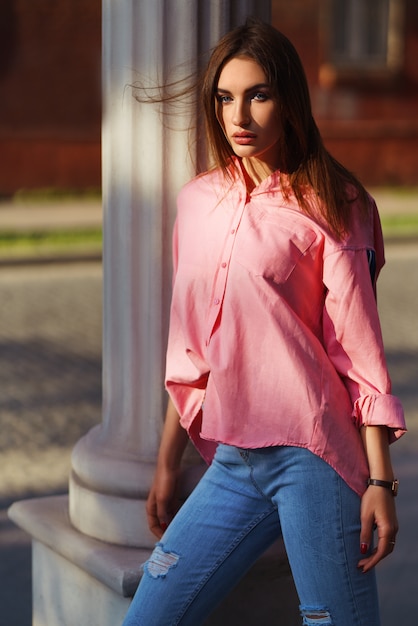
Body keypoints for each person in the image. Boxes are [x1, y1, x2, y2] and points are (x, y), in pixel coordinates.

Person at [122, 18, 406, 626]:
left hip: (316, 458)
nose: (239, 115)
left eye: (259, 94)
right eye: (225, 97)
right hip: (231, 464)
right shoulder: (197, 202)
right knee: (150, 616)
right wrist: (169, 463)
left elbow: (358, 353)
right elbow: (192, 348)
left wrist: (382, 480)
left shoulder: (337, 204)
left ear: (290, 100)